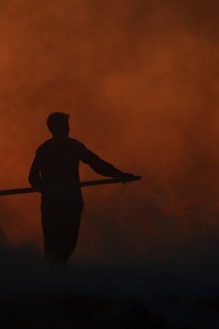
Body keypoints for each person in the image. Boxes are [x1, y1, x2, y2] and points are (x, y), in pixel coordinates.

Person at [28, 112, 137, 264]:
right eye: (63, 126)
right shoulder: (45, 150)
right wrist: (46, 189)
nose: (66, 129)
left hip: (72, 203)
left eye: (67, 126)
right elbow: (33, 177)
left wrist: (118, 174)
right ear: (53, 128)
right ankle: (52, 280)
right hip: (52, 205)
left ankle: (60, 276)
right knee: (52, 247)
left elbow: (96, 163)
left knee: (69, 244)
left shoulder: (74, 147)